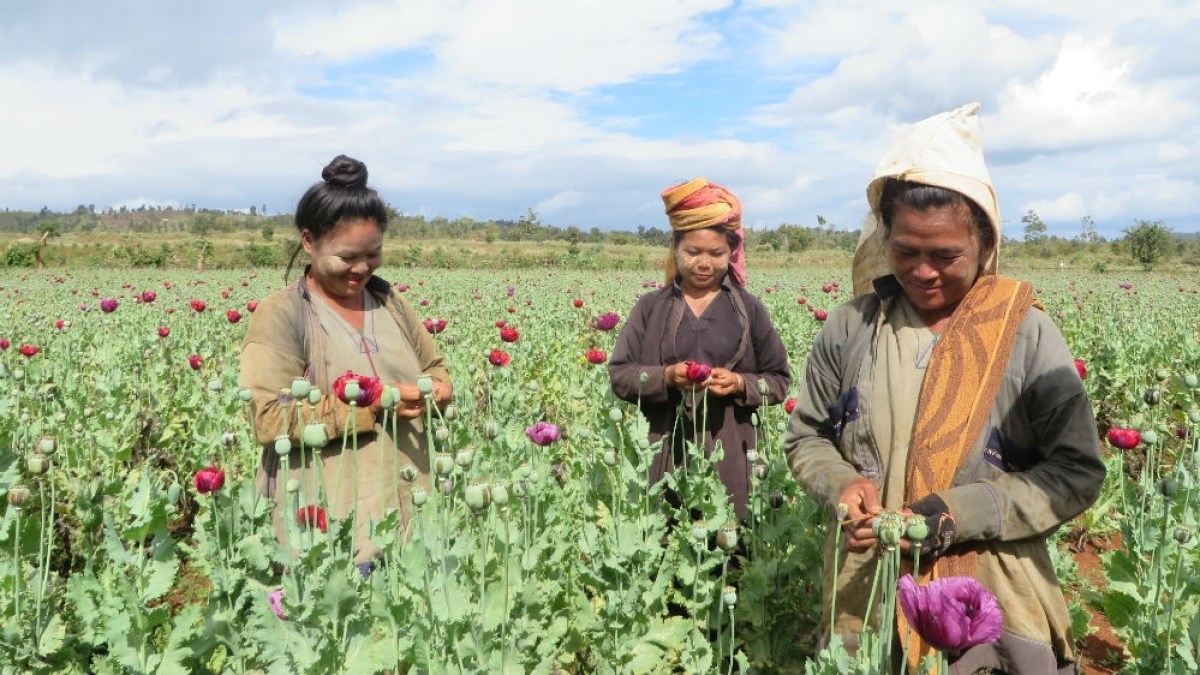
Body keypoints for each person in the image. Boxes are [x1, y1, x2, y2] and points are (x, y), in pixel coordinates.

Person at [783, 103, 1105, 673]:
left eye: (945, 255)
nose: (924, 272)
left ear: (982, 242)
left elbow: (1078, 471)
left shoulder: (1024, 335)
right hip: (867, 593)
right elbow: (807, 437)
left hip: (987, 601)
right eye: (907, 251)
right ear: (886, 239)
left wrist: (957, 513)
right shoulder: (852, 328)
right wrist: (842, 483)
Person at [240, 154, 452, 574]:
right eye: (347, 256)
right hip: (332, 535)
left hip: (411, 518)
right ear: (308, 242)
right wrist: (375, 405)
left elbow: (434, 367)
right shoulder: (283, 315)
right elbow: (267, 418)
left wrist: (439, 389)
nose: (361, 268)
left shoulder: (389, 301)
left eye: (373, 255)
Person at [609, 177, 791, 522]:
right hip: (663, 455)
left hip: (734, 458)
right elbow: (620, 374)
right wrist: (665, 377)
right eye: (693, 253)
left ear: (731, 253)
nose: (703, 263)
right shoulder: (650, 308)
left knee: (731, 549)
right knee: (666, 545)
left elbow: (779, 379)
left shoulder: (749, 309)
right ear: (676, 249)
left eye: (716, 253)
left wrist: (740, 384)